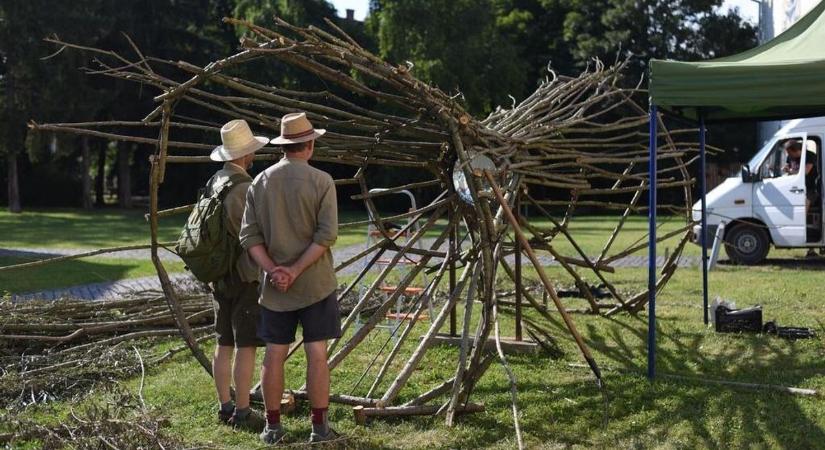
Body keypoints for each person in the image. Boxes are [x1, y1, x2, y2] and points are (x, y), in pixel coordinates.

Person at [240, 112, 341, 444]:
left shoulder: (260, 182)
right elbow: (326, 235)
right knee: (316, 353)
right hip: (315, 283)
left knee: (274, 353)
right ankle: (319, 427)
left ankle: (272, 426)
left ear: (285, 146)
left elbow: (249, 237)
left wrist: (274, 271)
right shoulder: (322, 182)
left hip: (276, 289)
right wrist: (296, 271)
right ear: (310, 144)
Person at [207, 119, 269, 427]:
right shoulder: (245, 187)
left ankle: (224, 405)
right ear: (244, 154)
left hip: (218, 275)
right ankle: (242, 411)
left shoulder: (214, 182)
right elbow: (256, 233)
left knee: (223, 342)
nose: (253, 156)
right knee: (245, 343)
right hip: (244, 275)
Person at [783, 139, 821, 257]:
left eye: (790, 153)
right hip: (795, 189)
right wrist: (786, 169)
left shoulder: (809, 156)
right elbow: (789, 169)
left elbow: (805, 171)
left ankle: (811, 249)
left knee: (801, 215)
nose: (788, 156)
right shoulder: (790, 157)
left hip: (810, 190)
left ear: (796, 150)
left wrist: (789, 171)